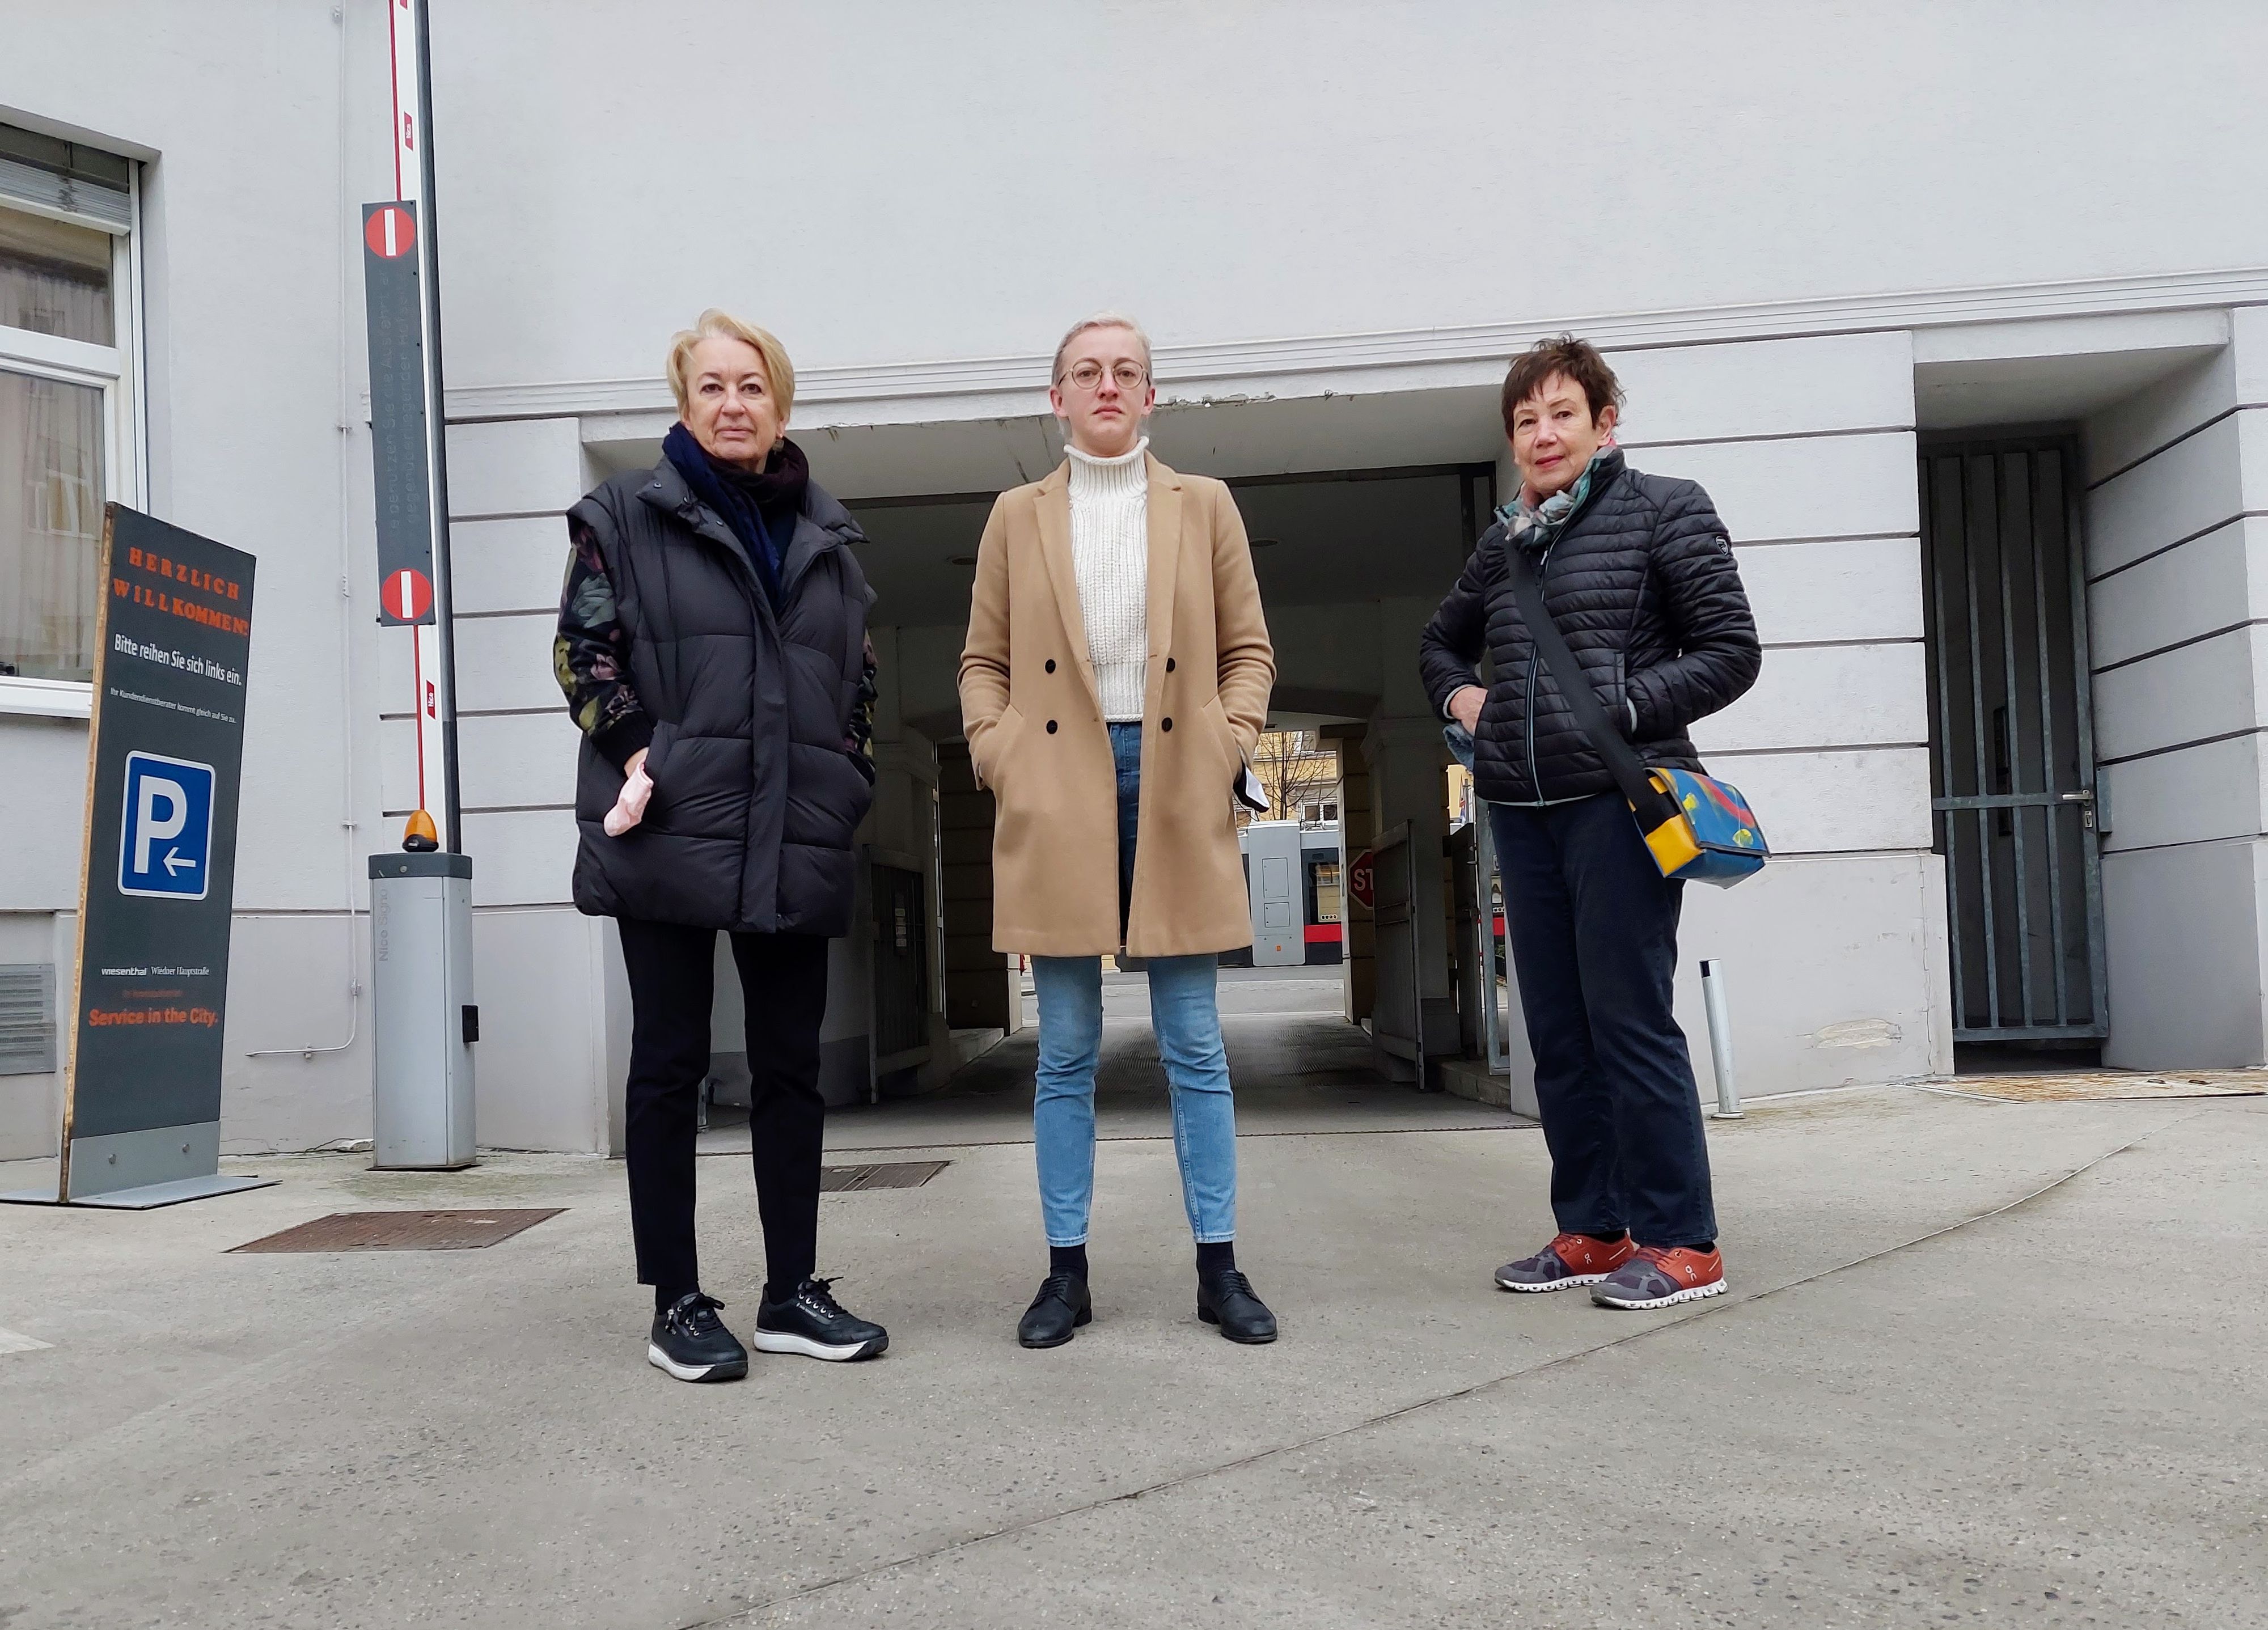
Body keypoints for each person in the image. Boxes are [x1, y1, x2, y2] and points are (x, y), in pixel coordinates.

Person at [556, 309, 889, 1380]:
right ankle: (678, 1303)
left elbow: (858, 683)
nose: (732, 404)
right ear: (683, 402)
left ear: (780, 405)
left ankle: (790, 1292)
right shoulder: (621, 515)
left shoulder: (831, 541)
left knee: (792, 1068)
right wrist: (645, 756)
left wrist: (849, 776)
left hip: (792, 830)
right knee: (670, 1064)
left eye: (751, 386)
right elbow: (581, 655)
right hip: (665, 827)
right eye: (711, 387)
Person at [1419, 335, 1761, 1311]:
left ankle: (1683, 1239)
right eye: (1526, 421)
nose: (1542, 435)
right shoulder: (1506, 544)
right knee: (1559, 1034)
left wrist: (1617, 702)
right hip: (1522, 813)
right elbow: (1438, 644)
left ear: (1606, 424)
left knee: (1628, 1020)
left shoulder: (1669, 510)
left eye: (1562, 414)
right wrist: (1464, 703)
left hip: (1621, 806)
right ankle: (1596, 1229)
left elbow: (1732, 651)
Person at [958, 314, 1279, 1347]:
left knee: (1194, 1044)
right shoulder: (1015, 515)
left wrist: (1228, 745)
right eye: (1087, 372)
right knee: (1066, 1049)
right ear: (1056, 397)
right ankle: (1064, 1272)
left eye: (1126, 372)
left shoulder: (1208, 504)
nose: (1107, 386)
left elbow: (1249, 648)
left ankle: (1219, 1266)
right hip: (1058, 781)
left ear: (1152, 395)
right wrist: (1002, 756)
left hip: (1177, 772)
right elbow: (982, 664)